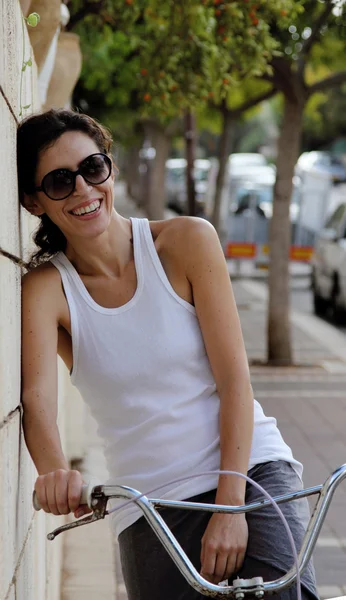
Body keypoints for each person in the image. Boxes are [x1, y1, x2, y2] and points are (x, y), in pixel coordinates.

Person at [11, 109, 318, 600]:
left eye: (92, 169)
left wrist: (230, 507)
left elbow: (236, 380)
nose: (85, 192)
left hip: (248, 475)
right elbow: (36, 399)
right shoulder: (48, 289)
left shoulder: (185, 241)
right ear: (33, 202)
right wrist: (54, 472)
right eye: (59, 181)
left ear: (110, 167)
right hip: (145, 502)